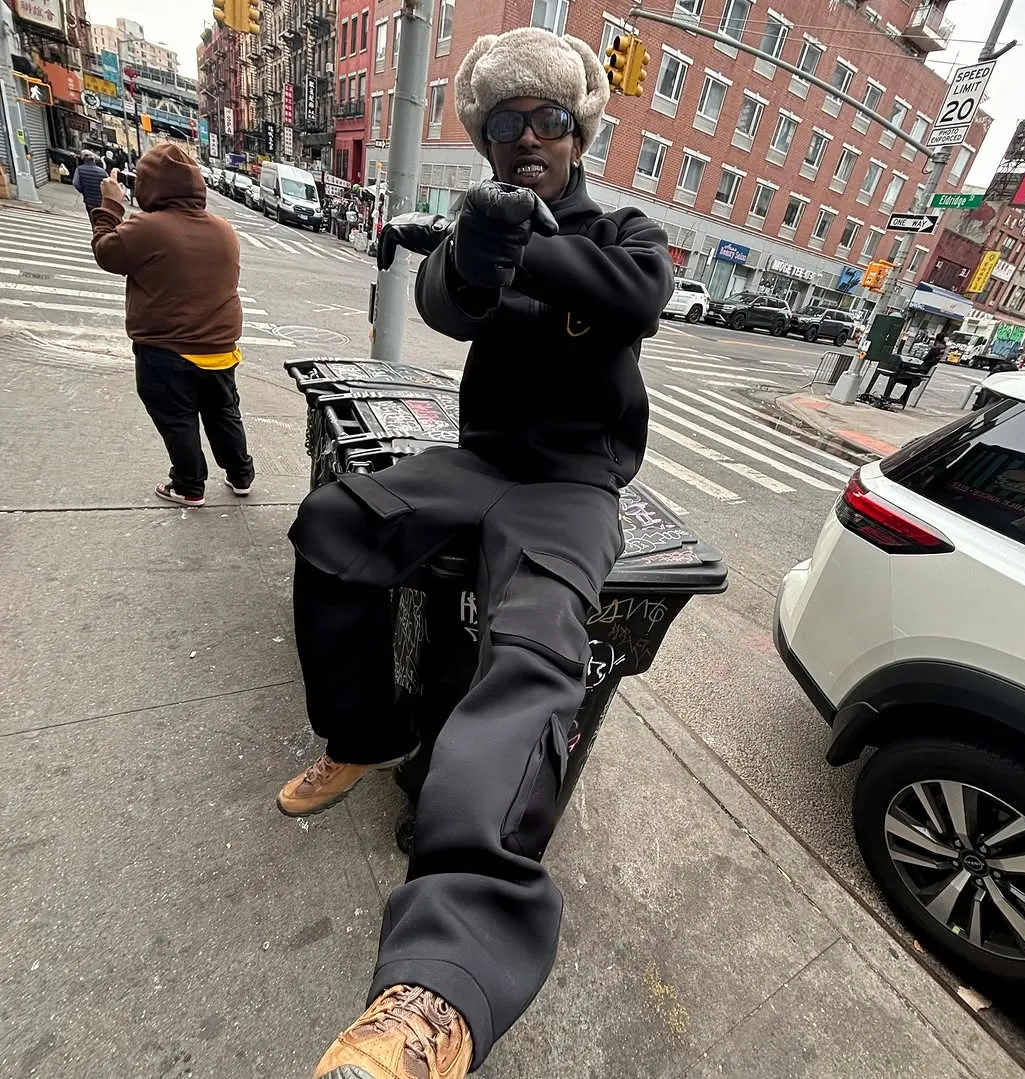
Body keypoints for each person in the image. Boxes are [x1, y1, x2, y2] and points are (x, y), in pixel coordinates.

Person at [281, 26, 674, 1079]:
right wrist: (477, 244)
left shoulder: (625, 228)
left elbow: (639, 298)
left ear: (579, 130)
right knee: (334, 523)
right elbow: (445, 303)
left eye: (549, 119)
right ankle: (364, 733)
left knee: (534, 649)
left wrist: (531, 240)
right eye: (506, 124)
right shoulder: (484, 220)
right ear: (487, 140)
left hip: (574, 483)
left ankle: (440, 981)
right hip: (483, 458)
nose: (529, 136)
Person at [89, 144, 255, 508]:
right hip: (220, 349)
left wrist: (111, 205)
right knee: (223, 413)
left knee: (178, 418)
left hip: (166, 349)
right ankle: (241, 474)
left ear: (149, 186)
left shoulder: (147, 227)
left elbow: (106, 252)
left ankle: (188, 485)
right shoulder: (223, 229)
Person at [72, 150, 107, 220]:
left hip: (89, 201)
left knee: (93, 220)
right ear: (94, 160)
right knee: (101, 220)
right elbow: (108, 185)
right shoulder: (102, 171)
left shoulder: (79, 169)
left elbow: (75, 183)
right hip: (101, 201)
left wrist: (84, 191)